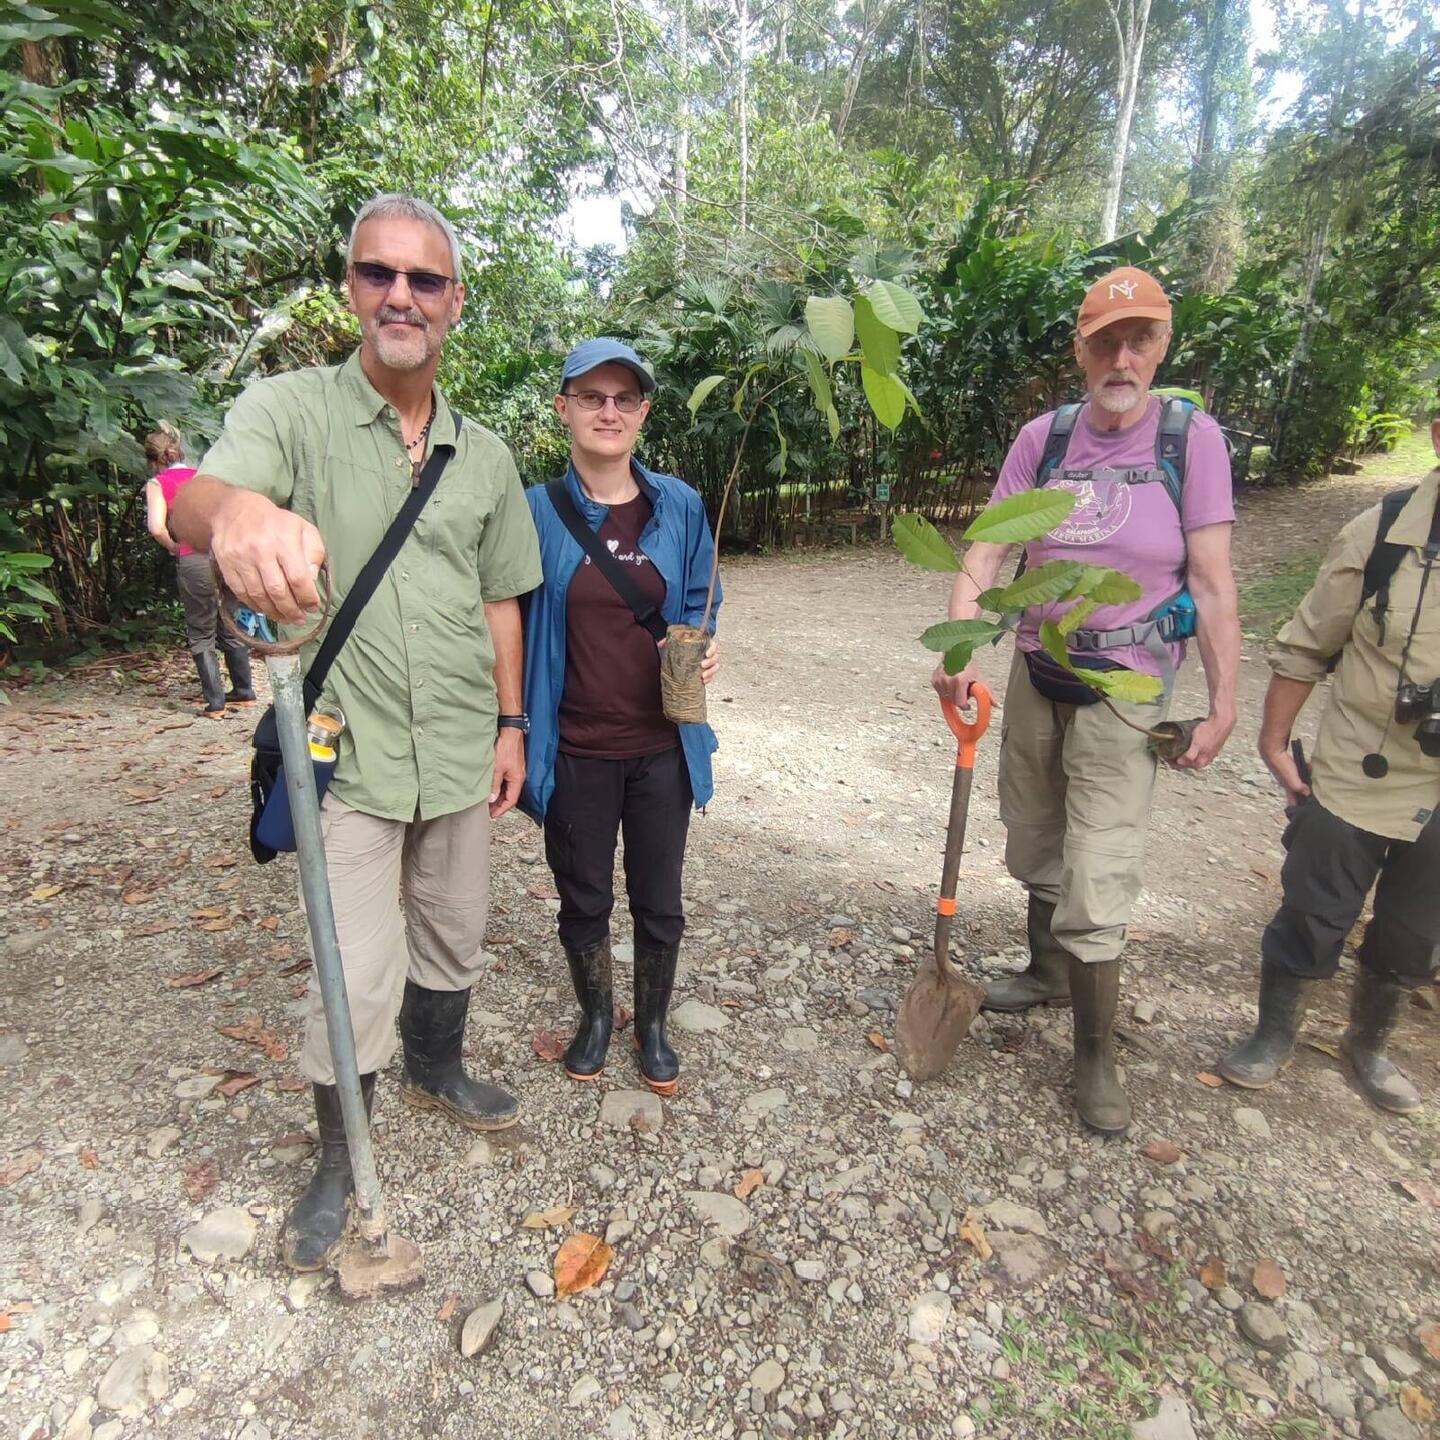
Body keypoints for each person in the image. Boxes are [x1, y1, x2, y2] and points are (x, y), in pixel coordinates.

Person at [170, 194, 543, 1270]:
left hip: (467, 746)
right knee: (356, 964)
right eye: (379, 274)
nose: (401, 296)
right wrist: (236, 516)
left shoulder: (484, 453)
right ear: (351, 288)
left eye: (425, 281)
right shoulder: (292, 411)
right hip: (350, 752)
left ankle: (438, 1065)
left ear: (454, 303)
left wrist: (513, 724)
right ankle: (340, 1154)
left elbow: (500, 598)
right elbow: (200, 498)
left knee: (455, 927)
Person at [932, 266, 1241, 1134]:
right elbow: (987, 555)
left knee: (1098, 869)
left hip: (1126, 688)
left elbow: (1213, 585)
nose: (1121, 355)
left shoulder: (1191, 441)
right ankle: (1046, 971)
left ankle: (1095, 1056)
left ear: (1161, 347)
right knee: (1033, 833)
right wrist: (959, 646)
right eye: (1104, 338)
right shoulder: (1047, 438)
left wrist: (1224, 703)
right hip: (1038, 671)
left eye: (1139, 338)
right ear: (1080, 350)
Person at [1219, 411, 1440, 1115]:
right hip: (1358, 766)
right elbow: (1311, 641)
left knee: (1415, 930)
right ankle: (1273, 1034)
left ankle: (1367, 1045)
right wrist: (1273, 740)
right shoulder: (1382, 534)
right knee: (1314, 909)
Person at [520, 338, 720, 1096]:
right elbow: (507, 613)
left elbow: (701, 594)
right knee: (584, 895)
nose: (609, 411)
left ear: (643, 412)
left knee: (659, 896)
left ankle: (655, 1023)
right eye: (592, 397)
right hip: (574, 743)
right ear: (564, 406)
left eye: (624, 399)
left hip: (661, 744)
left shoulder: (681, 504)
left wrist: (704, 646)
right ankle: (597, 1015)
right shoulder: (536, 510)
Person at [143, 425, 255, 718]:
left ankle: (216, 703)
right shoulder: (206, 477)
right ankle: (244, 691)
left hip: (194, 558)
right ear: (180, 450)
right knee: (229, 622)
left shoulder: (159, 484)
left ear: (154, 460)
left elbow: (156, 527)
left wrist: (172, 546)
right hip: (226, 556)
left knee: (201, 630)